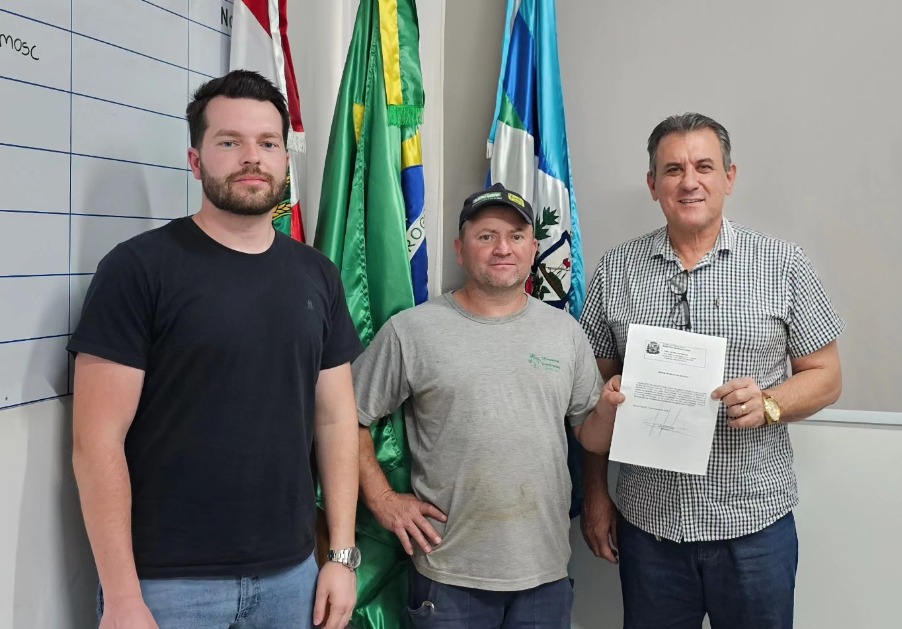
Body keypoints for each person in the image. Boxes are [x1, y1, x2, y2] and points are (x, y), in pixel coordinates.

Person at [69, 70, 361, 629]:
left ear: (284, 158)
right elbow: (95, 443)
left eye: (268, 143)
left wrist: (341, 555)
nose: (252, 158)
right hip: (166, 586)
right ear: (196, 158)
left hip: (293, 576)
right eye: (229, 142)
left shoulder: (317, 275)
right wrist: (123, 597)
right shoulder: (137, 269)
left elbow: (335, 419)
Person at [579, 112, 844, 629]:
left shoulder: (782, 264)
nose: (690, 180)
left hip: (753, 527)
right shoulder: (616, 270)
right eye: (673, 169)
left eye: (704, 165)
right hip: (650, 527)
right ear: (653, 184)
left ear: (730, 177)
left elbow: (828, 375)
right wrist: (595, 493)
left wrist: (770, 403)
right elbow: (591, 397)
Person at [352, 182, 619, 628]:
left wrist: (609, 408)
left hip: (544, 575)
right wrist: (382, 500)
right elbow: (346, 417)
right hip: (448, 578)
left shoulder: (565, 333)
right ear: (460, 248)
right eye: (486, 236)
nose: (502, 249)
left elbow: (588, 435)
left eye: (516, 237)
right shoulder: (413, 331)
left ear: (534, 249)